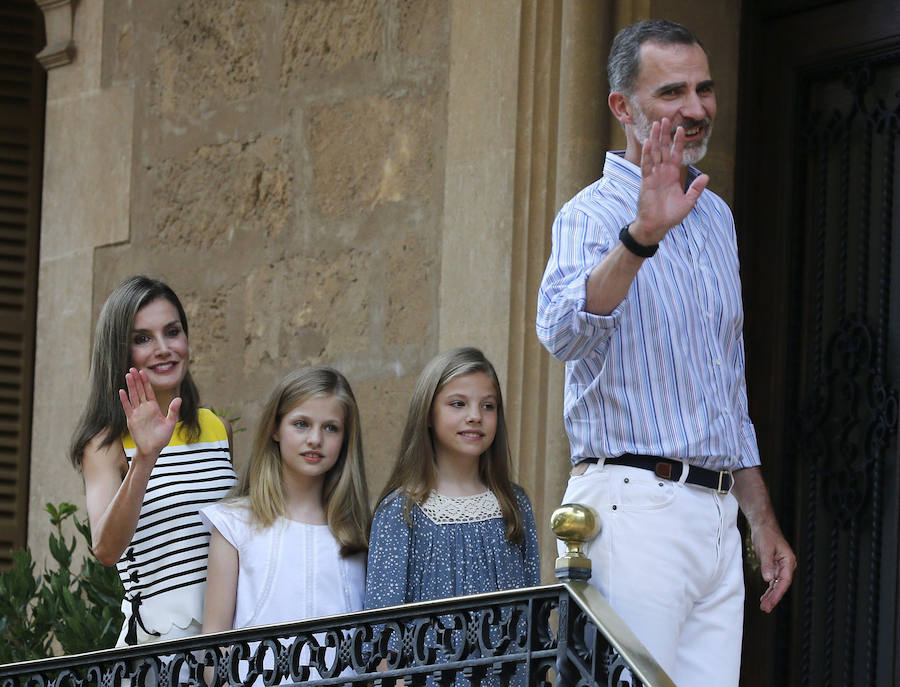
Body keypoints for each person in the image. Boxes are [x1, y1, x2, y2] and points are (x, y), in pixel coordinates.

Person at [536, 19, 796, 687]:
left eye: (704, 89)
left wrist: (758, 518)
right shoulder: (589, 215)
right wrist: (641, 237)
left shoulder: (717, 217)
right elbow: (562, 331)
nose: (696, 107)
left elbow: (724, 391)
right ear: (623, 108)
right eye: (672, 91)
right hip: (632, 505)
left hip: (713, 515)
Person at [69, 275, 237, 646]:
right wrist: (145, 457)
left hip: (228, 643)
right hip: (160, 649)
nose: (164, 348)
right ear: (121, 353)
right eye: (143, 338)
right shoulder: (105, 445)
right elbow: (106, 550)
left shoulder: (217, 428)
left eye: (172, 332)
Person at [365, 347, 540, 684]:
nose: (475, 415)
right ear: (428, 413)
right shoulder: (400, 511)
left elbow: (532, 612)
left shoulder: (514, 504)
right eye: (458, 403)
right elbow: (380, 631)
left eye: (487, 406)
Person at [200, 367, 370, 650]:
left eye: (331, 427)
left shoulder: (358, 531)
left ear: (345, 439)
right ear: (274, 429)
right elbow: (213, 646)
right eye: (301, 424)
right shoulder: (234, 523)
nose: (315, 439)